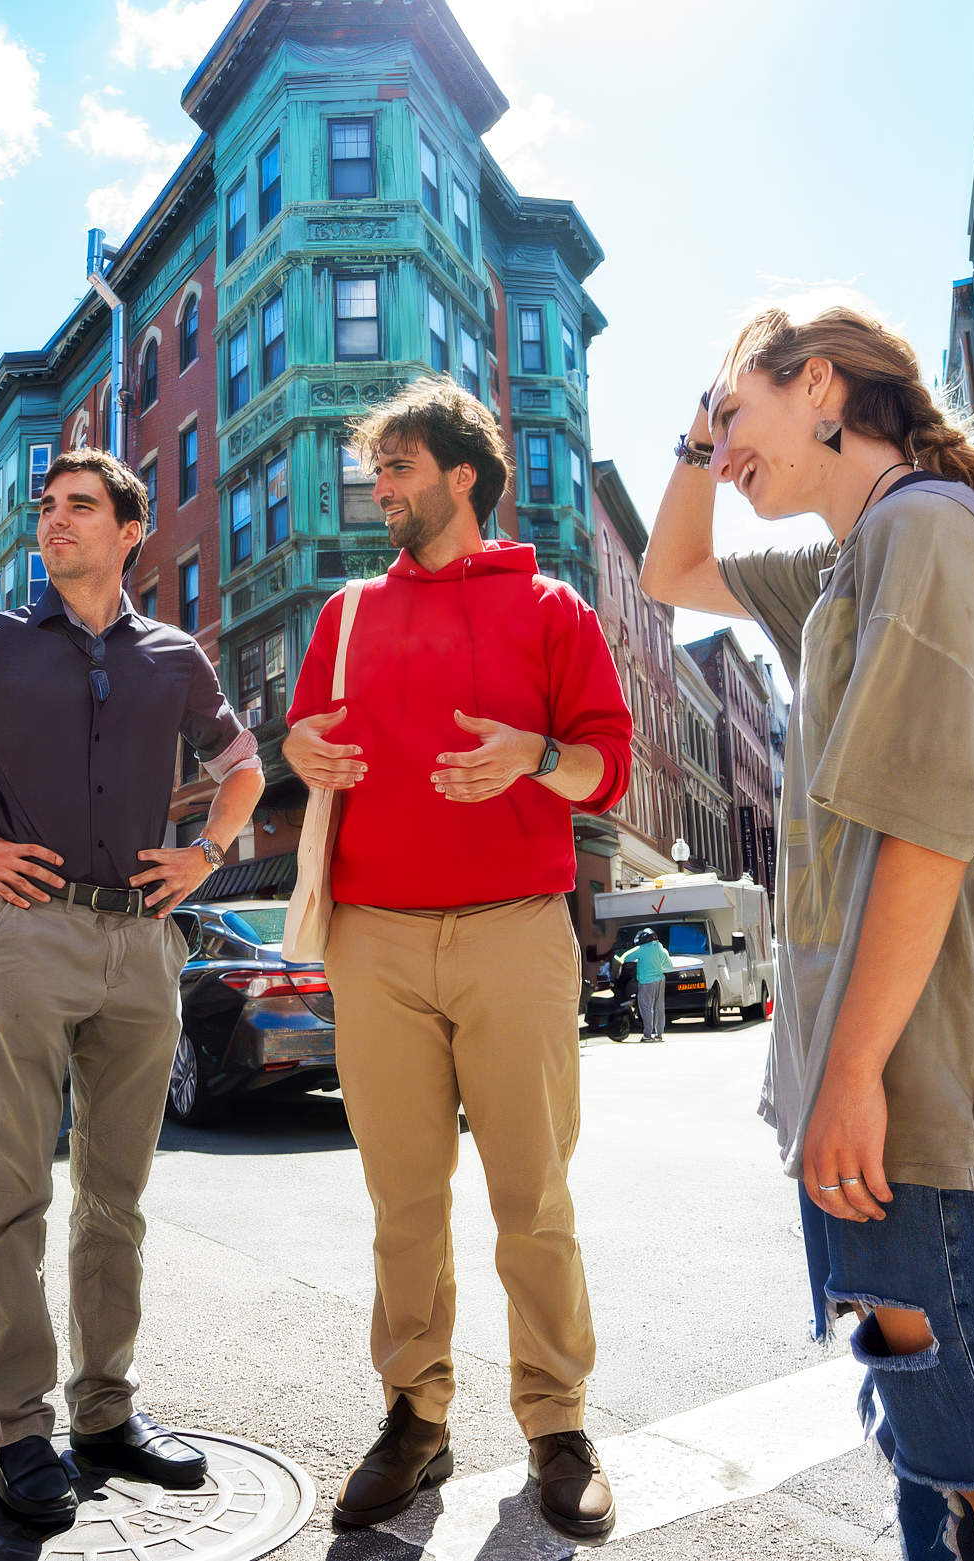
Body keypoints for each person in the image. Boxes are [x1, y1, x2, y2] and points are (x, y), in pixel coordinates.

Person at [639, 302, 974, 1561]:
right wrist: (697, 442)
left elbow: (928, 825)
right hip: (871, 1074)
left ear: (822, 389)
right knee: (939, 1457)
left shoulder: (920, 535)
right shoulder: (848, 563)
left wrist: (849, 1074)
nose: (721, 446)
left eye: (734, 410)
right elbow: (667, 576)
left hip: (911, 1069)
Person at [0, 449, 264, 1524]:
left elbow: (244, 764)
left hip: (144, 943)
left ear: (130, 529)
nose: (54, 521)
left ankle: (106, 1411)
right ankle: (18, 1429)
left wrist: (207, 853)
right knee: (14, 1189)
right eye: (45, 508)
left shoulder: (173, 656)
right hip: (29, 932)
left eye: (79, 506)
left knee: (115, 1198)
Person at [282, 377, 634, 1540]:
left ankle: (557, 1423)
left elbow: (602, 770)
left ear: (460, 474)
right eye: (374, 472)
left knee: (531, 1196)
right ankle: (413, 1414)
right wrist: (299, 748)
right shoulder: (342, 616)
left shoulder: (552, 608)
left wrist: (534, 752)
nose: (377, 489)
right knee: (402, 1199)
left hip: (514, 931)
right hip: (371, 936)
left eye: (396, 468)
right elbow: (306, 743)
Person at [615, 927, 674, 1042]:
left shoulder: (640, 949)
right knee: (659, 1007)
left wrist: (617, 958)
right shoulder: (658, 947)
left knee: (646, 1008)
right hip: (660, 980)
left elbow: (625, 958)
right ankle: (659, 1034)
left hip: (646, 982)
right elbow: (668, 965)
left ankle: (647, 1035)